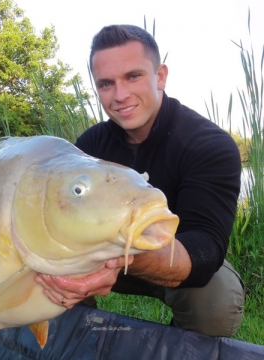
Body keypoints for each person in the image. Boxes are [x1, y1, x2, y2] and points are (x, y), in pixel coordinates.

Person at [35, 24, 245, 337]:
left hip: (169, 259)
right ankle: (76, 335)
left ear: (160, 76)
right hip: (96, 255)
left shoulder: (208, 145)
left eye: (133, 76)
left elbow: (205, 250)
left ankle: (181, 347)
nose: (120, 96)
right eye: (106, 84)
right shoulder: (89, 146)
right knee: (38, 268)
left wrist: (121, 256)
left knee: (218, 294)